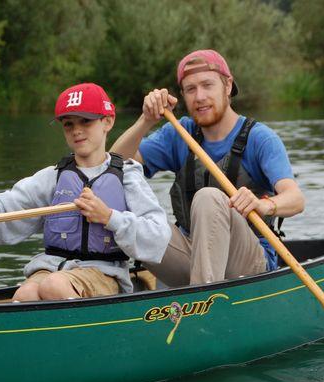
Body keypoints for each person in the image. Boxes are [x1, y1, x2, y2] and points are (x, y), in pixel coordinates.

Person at [110, 49, 305, 286]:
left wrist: (264, 204)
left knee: (209, 197)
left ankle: (202, 303)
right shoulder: (179, 132)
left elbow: (295, 199)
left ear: (227, 86)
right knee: (129, 214)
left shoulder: (261, 138)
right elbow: (113, 166)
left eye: (207, 85)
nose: (199, 96)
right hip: (190, 254)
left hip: (248, 263)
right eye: (191, 89)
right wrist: (146, 120)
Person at [0, 83, 170, 301]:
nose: (76, 130)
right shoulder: (53, 177)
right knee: (26, 293)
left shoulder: (128, 176)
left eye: (86, 121)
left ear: (108, 122)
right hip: (52, 268)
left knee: (54, 286)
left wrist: (109, 217)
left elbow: (158, 236)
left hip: (103, 273)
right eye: (68, 124)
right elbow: (8, 204)